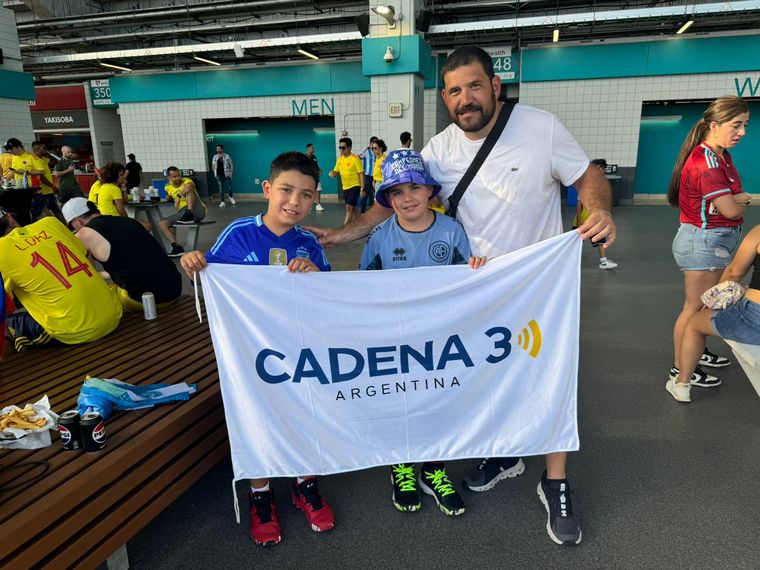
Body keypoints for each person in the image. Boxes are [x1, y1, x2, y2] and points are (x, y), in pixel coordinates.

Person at [308, 46, 616, 546]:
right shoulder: (440, 149)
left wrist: (599, 210)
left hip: (536, 283)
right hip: (472, 291)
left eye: (474, 86)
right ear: (445, 98)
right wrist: (340, 236)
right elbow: (396, 201)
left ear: (495, 86)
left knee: (552, 375)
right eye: (453, 90)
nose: (464, 98)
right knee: (487, 378)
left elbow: (588, 177)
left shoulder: (542, 127)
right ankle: (503, 450)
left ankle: (555, 481)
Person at [180, 151, 334, 547]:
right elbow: (211, 273)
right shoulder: (239, 233)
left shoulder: (310, 245)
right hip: (249, 354)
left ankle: (304, 481)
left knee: (303, 412)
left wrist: (316, 278)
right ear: (267, 189)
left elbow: (333, 297)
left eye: (305, 195)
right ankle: (261, 493)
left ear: (315, 198)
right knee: (254, 416)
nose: (294, 202)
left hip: (298, 353)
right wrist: (194, 260)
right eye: (286, 190)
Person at [361, 149, 487, 516]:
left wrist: (478, 269)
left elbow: (471, 280)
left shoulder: (451, 231)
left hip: (440, 340)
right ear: (388, 198)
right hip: (396, 340)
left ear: (429, 191)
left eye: (414, 188)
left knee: (439, 402)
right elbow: (360, 289)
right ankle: (402, 466)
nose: (407, 198)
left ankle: (434, 469)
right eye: (397, 192)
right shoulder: (380, 236)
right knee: (401, 400)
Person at [668, 96, 750, 389]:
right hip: (702, 243)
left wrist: (740, 199)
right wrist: (741, 202)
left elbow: (736, 197)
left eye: (745, 125)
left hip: (712, 241)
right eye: (736, 125)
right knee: (696, 309)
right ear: (715, 126)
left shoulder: (720, 155)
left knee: (701, 307)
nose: (742, 132)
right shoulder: (706, 163)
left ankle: (697, 353)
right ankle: (680, 371)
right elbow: (731, 208)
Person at [0, 207, 122, 351]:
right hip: (113, 312)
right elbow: (83, 253)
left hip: (76, 330)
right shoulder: (51, 223)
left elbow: (4, 308)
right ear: (10, 218)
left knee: (8, 326)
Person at [668, 224, 760, 403]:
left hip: (754, 316)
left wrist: (711, 301)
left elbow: (734, 273)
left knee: (694, 324)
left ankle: (682, 385)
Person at [62, 198, 182, 312]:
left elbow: (88, 275)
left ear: (76, 221)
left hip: (140, 299)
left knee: (98, 296)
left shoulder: (82, 234)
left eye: (72, 226)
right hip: (175, 290)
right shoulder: (128, 221)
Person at [572, 159, 618, 270]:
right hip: (587, 218)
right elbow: (579, 204)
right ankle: (603, 262)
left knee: (591, 240)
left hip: (594, 218)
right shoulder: (588, 185)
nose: (601, 169)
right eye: (598, 167)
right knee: (597, 240)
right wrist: (579, 220)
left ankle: (603, 261)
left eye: (603, 167)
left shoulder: (601, 184)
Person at [160, 166, 207, 257]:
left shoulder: (186, 181)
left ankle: (189, 213)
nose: (178, 178)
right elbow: (172, 200)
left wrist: (178, 196)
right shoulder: (167, 187)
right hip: (182, 213)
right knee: (162, 223)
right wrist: (169, 198)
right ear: (169, 178)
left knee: (189, 190)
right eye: (174, 176)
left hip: (197, 210)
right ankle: (176, 248)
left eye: (178, 175)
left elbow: (189, 187)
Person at [328, 137, 364, 226]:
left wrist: (362, 189)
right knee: (354, 208)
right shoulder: (340, 159)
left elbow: (361, 174)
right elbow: (336, 171)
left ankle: (344, 229)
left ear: (349, 147)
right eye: (340, 147)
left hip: (354, 186)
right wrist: (332, 173)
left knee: (348, 207)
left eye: (343, 147)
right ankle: (362, 225)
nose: (341, 149)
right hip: (345, 187)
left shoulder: (355, 158)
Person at [30, 141, 62, 222]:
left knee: (56, 210)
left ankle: (65, 227)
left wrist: (48, 153)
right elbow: (41, 177)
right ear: (38, 148)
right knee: (43, 214)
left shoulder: (43, 158)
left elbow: (56, 162)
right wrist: (52, 186)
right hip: (41, 192)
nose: (45, 149)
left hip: (49, 191)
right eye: (44, 148)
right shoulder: (34, 159)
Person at [358, 136, 378, 213]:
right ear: (370, 143)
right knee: (365, 194)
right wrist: (367, 148)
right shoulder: (367, 152)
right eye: (374, 142)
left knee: (376, 194)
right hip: (367, 176)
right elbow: (359, 156)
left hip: (376, 177)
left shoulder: (377, 152)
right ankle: (362, 211)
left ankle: (375, 211)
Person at [306, 143, 324, 211]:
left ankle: (318, 205)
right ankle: (309, 205)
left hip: (316, 176)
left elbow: (316, 165)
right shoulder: (305, 158)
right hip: (309, 178)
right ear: (308, 149)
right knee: (309, 192)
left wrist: (319, 169)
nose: (313, 149)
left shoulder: (314, 157)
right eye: (312, 148)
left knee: (318, 190)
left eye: (313, 148)